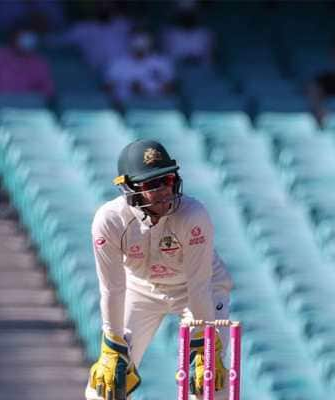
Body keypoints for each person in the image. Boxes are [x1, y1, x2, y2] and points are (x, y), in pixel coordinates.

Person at [84, 139, 233, 400]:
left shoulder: (193, 215)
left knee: (208, 384)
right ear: (130, 188)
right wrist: (111, 346)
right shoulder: (109, 221)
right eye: (153, 184)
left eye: (168, 179)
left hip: (197, 290)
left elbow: (199, 284)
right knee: (105, 388)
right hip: (141, 290)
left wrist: (202, 345)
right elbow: (112, 289)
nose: (165, 190)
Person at [104, 29, 175, 103]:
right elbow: (108, 87)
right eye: (136, 38)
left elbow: (170, 88)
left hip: (155, 104)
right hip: (124, 105)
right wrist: (128, 87)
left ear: (150, 41)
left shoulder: (162, 62)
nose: (139, 41)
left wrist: (146, 90)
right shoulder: (117, 63)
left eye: (143, 38)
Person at [0, 24, 54, 98]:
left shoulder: (39, 63)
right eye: (23, 36)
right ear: (13, 37)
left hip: (28, 105)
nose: (27, 40)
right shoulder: (1, 55)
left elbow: (48, 91)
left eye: (30, 37)